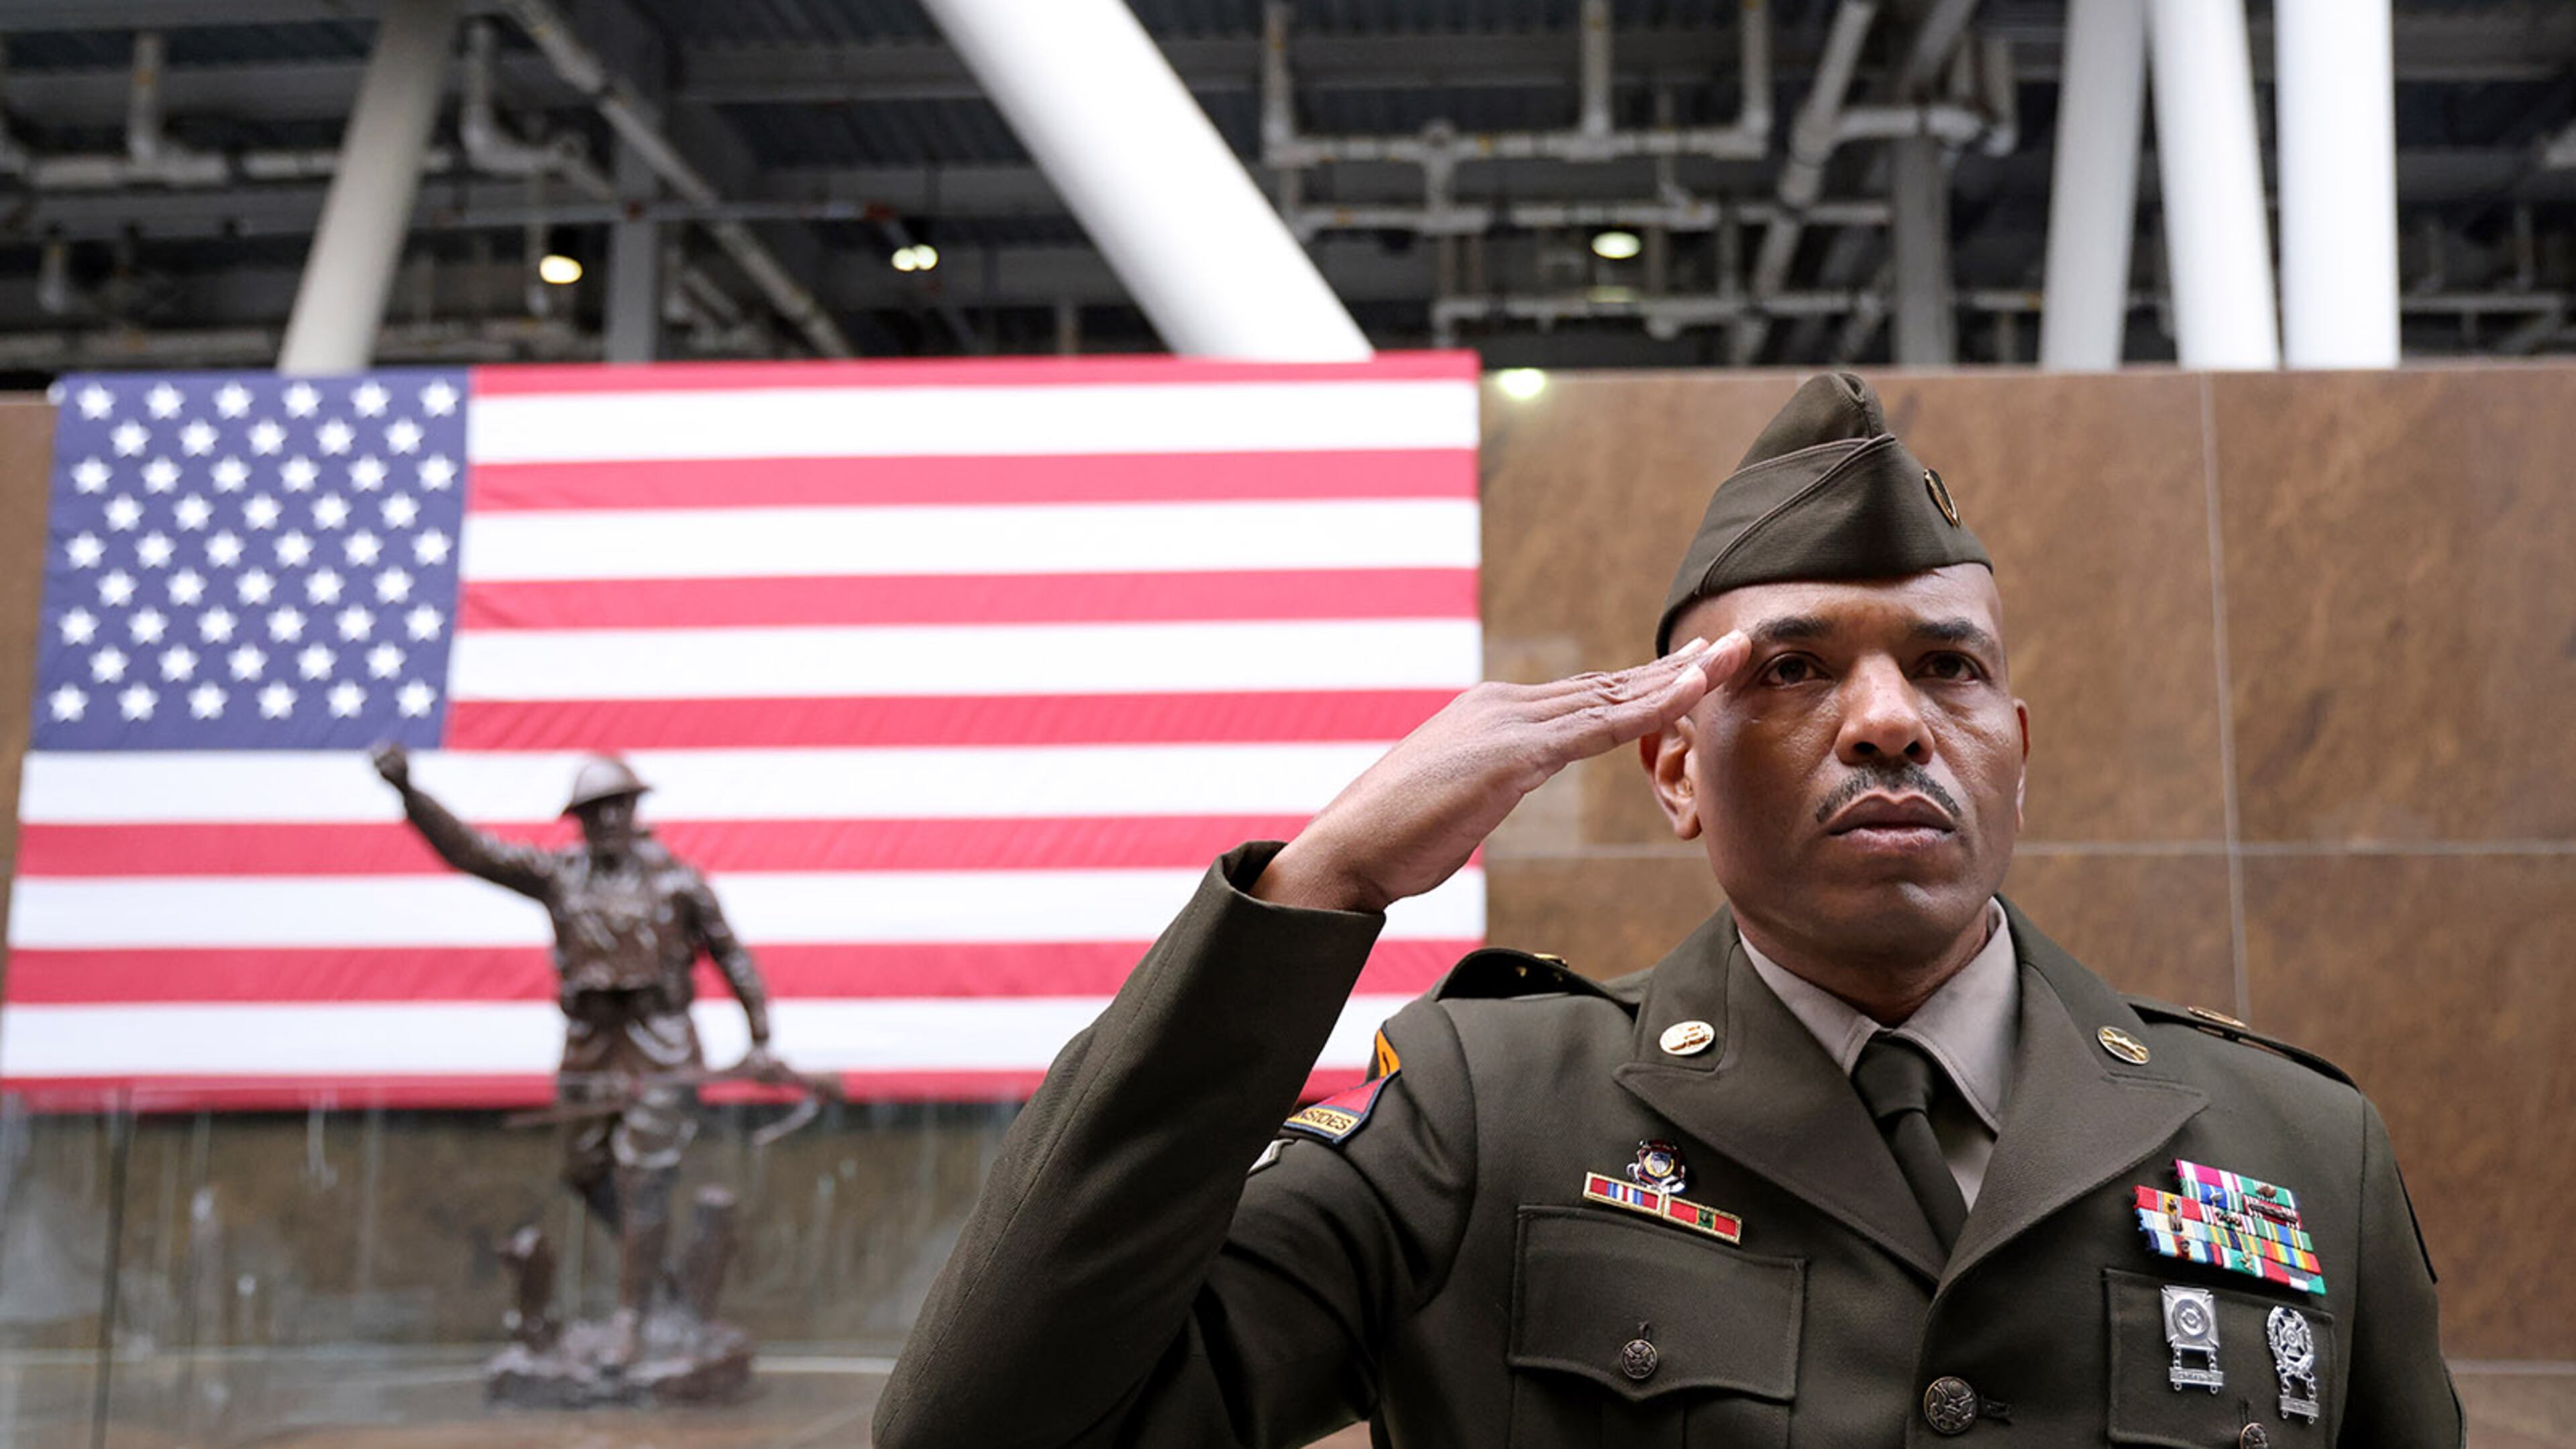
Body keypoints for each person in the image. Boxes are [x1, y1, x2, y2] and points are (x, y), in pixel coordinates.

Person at [873, 374, 2459, 1448]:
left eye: (1947, 664)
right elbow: (989, 1421)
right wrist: (1317, 884)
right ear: (1672, 768)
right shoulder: (1482, 1116)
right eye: (1790, 668)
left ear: (2013, 751)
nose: (1890, 718)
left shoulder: (2295, 1145)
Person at [369, 745, 775, 1368]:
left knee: (644, 1180)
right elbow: (472, 853)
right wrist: (409, 793)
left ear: (636, 810)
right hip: (591, 1048)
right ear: (580, 820)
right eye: (595, 811)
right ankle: (661, 1284)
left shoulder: (678, 882)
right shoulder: (560, 876)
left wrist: (760, 1037)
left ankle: (631, 1320)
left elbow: (732, 955)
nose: (608, 820)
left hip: (661, 1044)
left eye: (618, 807)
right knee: (585, 1171)